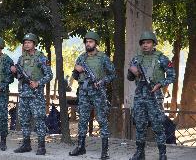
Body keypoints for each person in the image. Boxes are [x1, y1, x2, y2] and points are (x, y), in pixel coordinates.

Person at [127, 31, 176, 160]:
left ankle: (162, 154)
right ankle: (139, 153)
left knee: (158, 125)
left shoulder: (162, 58)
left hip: (154, 96)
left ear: (153, 43)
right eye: (143, 43)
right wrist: (132, 72)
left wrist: (160, 84)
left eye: (148, 42)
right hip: (140, 96)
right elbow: (130, 78)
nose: (145, 45)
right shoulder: (136, 58)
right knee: (140, 124)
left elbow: (172, 76)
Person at [69, 31, 116, 160]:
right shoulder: (81, 58)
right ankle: (80, 147)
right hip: (84, 93)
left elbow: (112, 74)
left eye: (90, 42)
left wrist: (102, 82)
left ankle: (105, 150)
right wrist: (77, 71)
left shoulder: (103, 58)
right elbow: (75, 75)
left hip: (98, 93)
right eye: (86, 42)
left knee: (102, 120)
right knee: (82, 120)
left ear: (96, 43)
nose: (88, 44)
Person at [11, 33, 53, 155]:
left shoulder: (41, 57)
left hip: (36, 95)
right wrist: (14, 72)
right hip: (23, 95)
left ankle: (41, 146)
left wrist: (38, 83)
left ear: (34, 44)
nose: (26, 44)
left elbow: (49, 75)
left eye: (29, 42)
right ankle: (26, 144)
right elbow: (19, 76)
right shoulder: (21, 58)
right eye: (25, 42)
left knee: (39, 119)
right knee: (24, 120)